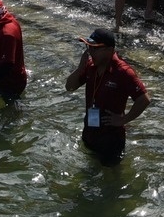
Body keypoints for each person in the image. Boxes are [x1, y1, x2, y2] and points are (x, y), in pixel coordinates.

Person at [64, 29, 151, 167]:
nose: (90, 52)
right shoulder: (90, 66)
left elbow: (144, 99)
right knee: (89, 174)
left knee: (110, 179)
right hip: (90, 132)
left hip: (111, 138)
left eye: (95, 48)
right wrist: (80, 68)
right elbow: (69, 87)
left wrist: (123, 119)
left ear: (110, 50)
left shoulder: (123, 72)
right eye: (88, 47)